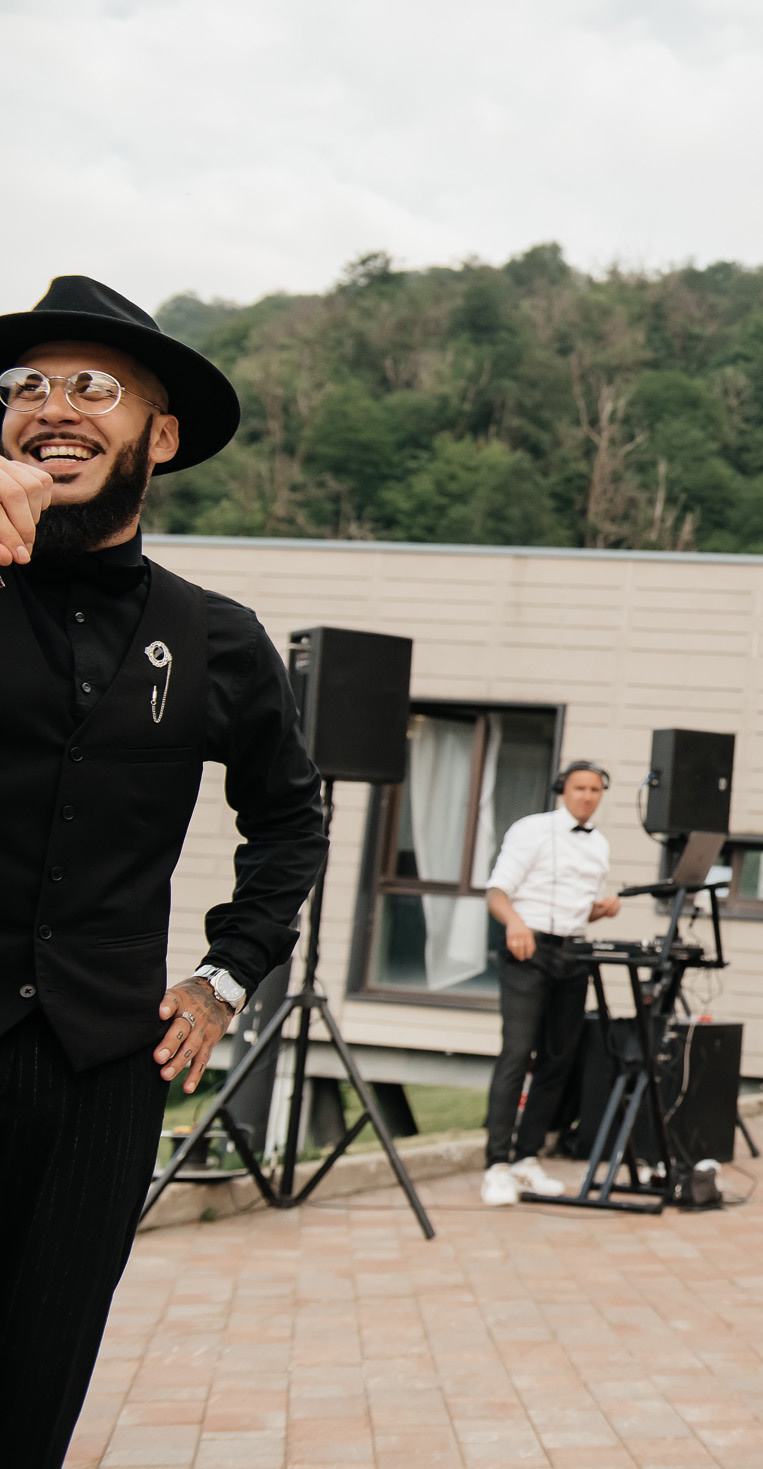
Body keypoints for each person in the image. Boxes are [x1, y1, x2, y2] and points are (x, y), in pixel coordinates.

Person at [0, 276, 327, 1469]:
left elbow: (288, 818)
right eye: (25, 384)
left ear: (162, 435)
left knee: (33, 1391)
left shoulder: (218, 637)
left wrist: (227, 973)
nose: (52, 406)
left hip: (100, 1073)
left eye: (93, 385)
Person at [480, 760, 621, 1204]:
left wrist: (602, 910)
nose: (587, 796)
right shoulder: (531, 830)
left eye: (595, 790)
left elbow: (580, 910)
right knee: (517, 1052)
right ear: (563, 789)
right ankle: (496, 1165)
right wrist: (515, 923)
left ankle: (526, 1158)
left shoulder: (599, 845)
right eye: (580, 788)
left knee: (558, 1059)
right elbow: (497, 892)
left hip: (573, 953)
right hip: (528, 950)